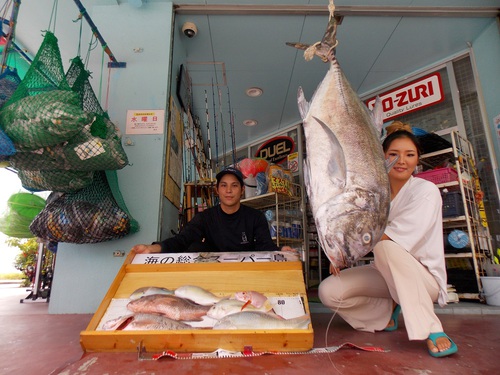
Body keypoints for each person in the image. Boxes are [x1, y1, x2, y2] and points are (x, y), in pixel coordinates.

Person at [318, 121, 458, 358]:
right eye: (394, 154)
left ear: (417, 159)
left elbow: (385, 238)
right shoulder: (375, 194)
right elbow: (354, 226)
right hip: (386, 273)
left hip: (424, 279)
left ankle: (431, 328)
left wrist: (346, 253)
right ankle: (385, 313)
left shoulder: (426, 191)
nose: (401, 161)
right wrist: (339, 253)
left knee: (385, 246)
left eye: (409, 155)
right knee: (329, 291)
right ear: (382, 157)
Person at [132, 166, 293, 254]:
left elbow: (266, 246)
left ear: (242, 190)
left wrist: (281, 250)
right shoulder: (205, 218)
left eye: (234, 185)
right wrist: (154, 248)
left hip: (246, 273)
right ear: (217, 190)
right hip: (214, 273)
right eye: (224, 185)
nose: (229, 191)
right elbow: (183, 240)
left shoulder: (256, 217)